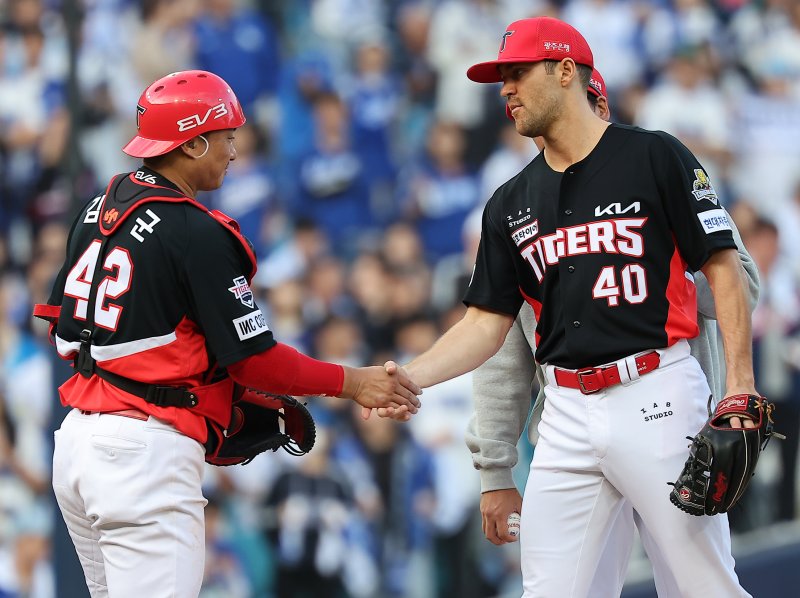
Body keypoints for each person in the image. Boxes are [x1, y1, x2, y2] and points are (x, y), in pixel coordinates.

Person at [379, 17, 759, 598]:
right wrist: (410, 376)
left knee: (702, 587)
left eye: (516, 73)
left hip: (653, 390)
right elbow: (487, 329)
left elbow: (729, 270)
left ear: (566, 73)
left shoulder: (655, 157)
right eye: (500, 77)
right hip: (562, 413)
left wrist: (738, 387)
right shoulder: (508, 203)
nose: (504, 89)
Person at [32, 70, 421, 598]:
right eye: (226, 136)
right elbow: (254, 360)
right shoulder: (195, 229)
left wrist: (202, 386)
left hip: (79, 444)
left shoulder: (99, 207)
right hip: (143, 453)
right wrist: (352, 382)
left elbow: (64, 328)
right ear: (191, 143)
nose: (234, 150)